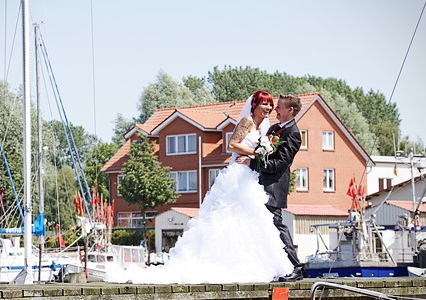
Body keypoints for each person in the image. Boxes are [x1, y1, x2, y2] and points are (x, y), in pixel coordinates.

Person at [105, 91, 294, 284]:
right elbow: (232, 144)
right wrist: (256, 152)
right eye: (265, 104)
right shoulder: (246, 121)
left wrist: (259, 155)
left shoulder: (265, 127)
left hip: (252, 176)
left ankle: (247, 263)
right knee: (229, 215)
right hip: (240, 174)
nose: (269, 108)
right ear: (254, 105)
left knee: (250, 220)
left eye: (271, 105)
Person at [248, 94, 303, 282]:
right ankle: (272, 267)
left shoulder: (293, 133)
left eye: (279, 107)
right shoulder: (273, 128)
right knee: (262, 227)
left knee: (276, 225)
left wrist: (252, 161)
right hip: (260, 186)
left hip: (274, 188)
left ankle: (296, 267)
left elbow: (280, 163)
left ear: (290, 110)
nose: (275, 110)